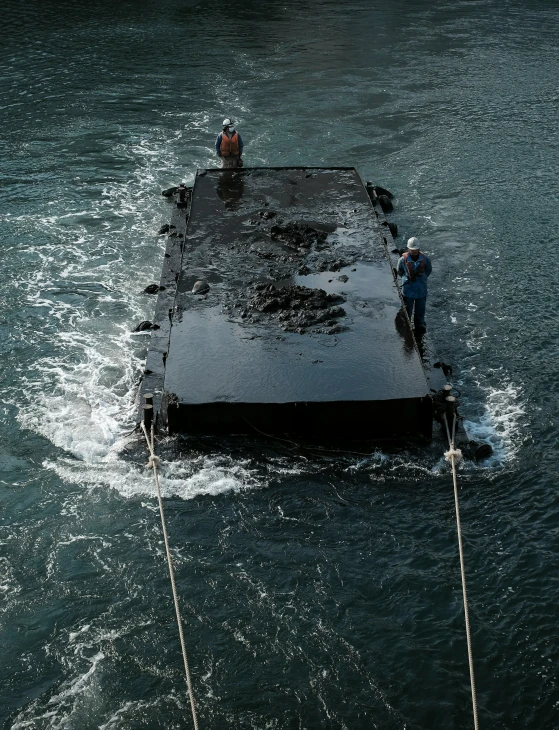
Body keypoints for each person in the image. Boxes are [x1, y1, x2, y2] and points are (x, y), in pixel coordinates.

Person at [397, 237, 432, 334]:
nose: (414, 252)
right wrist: (406, 278)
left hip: (421, 289)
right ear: (408, 249)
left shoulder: (425, 260)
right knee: (407, 309)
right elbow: (400, 271)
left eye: (415, 250)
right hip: (408, 290)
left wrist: (422, 279)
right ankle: (406, 325)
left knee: (420, 309)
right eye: (412, 250)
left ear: (419, 249)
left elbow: (428, 270)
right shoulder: (402, 260)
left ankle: (419, 325)